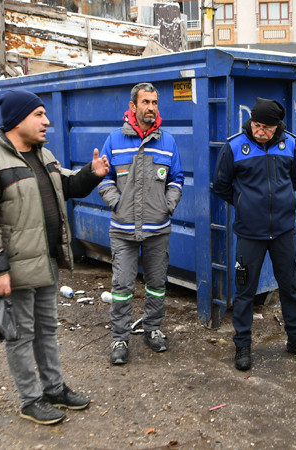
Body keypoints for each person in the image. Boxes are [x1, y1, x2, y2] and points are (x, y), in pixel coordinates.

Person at [0, 89, 109, 425]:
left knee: (47, 329)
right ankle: (30, 399)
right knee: (19, 334)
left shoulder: (43, 156)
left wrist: (91, 173)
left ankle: (54, 388)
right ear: (17, 120)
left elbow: (65, 185)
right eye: (39, 114)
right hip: (13, 268)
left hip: (44, 261)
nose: (47, 121)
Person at [213, 97, 296, 371]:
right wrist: (246, 205)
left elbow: (294, 179)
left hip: (283, 232)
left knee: (289, 289)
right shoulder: (235, 146)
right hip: (250, 233)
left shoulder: (290, 143)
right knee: (245, 291)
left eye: (267, 128)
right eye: (256, 125)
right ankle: (243, 345)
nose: (260, 131)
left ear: (277, 127)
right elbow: (221, 185)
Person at [98, 82, 184, 365]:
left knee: (157, 284)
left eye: (155, 103)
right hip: (123, 230)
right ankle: (119, 338)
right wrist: (117, 204)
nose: (151, 107)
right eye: (146, 102)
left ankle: (153, 329)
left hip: (157, 229)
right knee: (122, 286)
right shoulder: (115, 139)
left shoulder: (167, 142)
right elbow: (105, 178)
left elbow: (177, 180)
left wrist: (167, 207)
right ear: (133, 106)